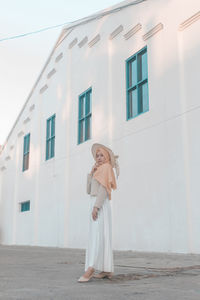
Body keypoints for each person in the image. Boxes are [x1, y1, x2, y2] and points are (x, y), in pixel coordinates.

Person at [78, 143, 119, 282]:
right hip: (95, 202)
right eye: (97, 155)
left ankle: (91, 267)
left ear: (107, 156)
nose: (99, 157)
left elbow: (103, 190)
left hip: (100, 204)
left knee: (97, 236)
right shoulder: (98, 169)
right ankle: (107, 269)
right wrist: (91, 173)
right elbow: (88, 190)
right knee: (102, 235)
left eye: (102, 155)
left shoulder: (107, 168)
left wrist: (96, 207)